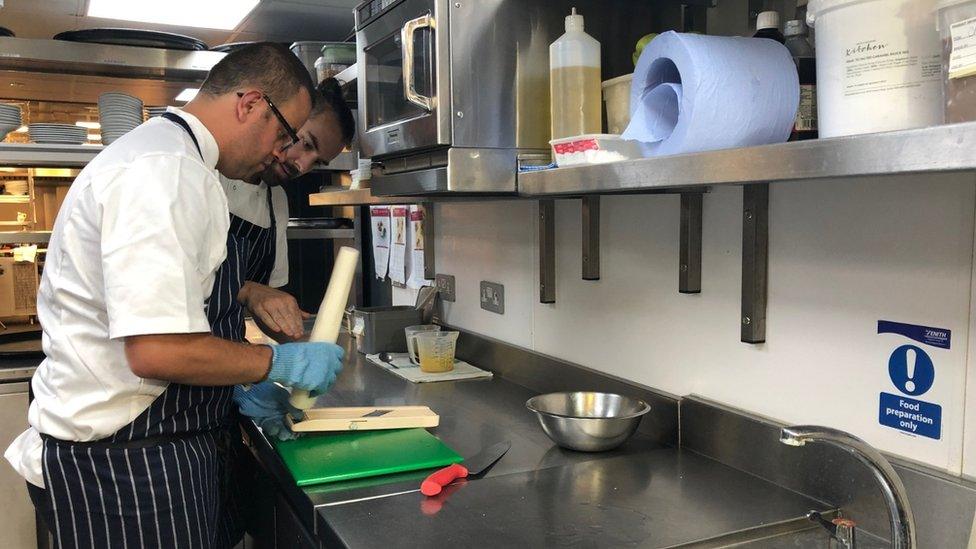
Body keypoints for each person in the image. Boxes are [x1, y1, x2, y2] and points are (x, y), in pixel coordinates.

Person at [4, 43, 345, 549]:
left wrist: (234, 385)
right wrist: (274, 363)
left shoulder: (173, 160)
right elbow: (157, 350)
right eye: (284, 133)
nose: (281, 151)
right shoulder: (165, 171)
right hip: (126, 465)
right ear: (250, 104)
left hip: (144, 448)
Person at [222, 78, 356, 350]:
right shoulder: (211, 178)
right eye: (306, 144)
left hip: (228, 357)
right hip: (171, 361)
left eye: (318, 162)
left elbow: (267, 304)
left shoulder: (276, 201)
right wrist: (247, 290)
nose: (303, 165)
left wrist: (305, 346)